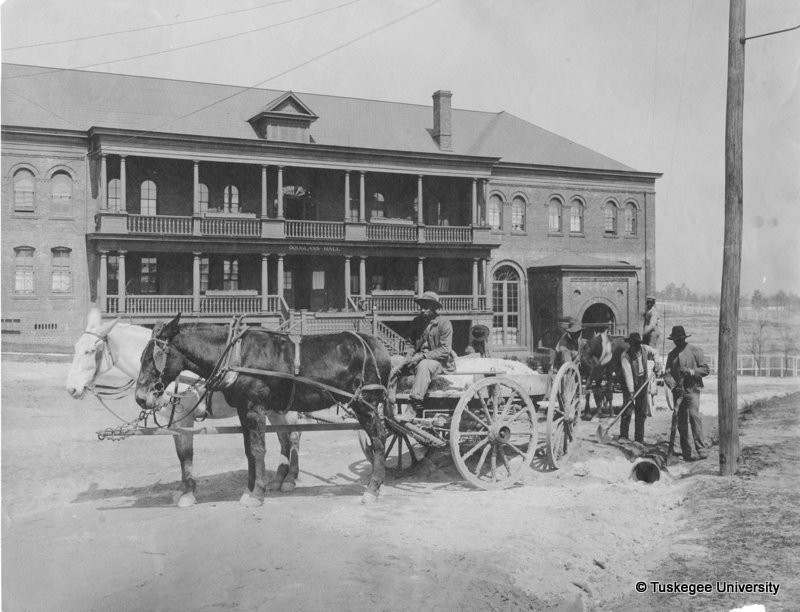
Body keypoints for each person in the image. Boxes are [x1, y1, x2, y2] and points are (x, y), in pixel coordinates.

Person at [397, 291, 455, 421]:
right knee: (395, 361)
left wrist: (422, 357)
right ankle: (387, 398)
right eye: (421, 307)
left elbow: (445, 349)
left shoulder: (444, 323)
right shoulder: (416, 322)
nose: (422, 310)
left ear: (434, 308)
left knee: (424, 365)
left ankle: (413, 406)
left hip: (439, 362)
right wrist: (408, 354)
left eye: (426, 307)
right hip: (417, 358)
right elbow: (410, 342)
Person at [663, 325, 710, 461]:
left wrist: (691, 372)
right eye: (675, 340)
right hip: (678, 393)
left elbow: (706, 369)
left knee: (694, 418)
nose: (677, 342)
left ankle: (701, 449)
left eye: (680, 339)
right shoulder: (672, 355)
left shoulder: (695, 350)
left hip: (692, 389)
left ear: (684, 338)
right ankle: (686, 452)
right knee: (681, 422)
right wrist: (673, 386)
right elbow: (666, 375)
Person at [618, 332, 661, 442]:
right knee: (627, 409)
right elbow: (628, 375)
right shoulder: (625, 356)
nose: (636, 348)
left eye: (637, 345)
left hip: (642, 381)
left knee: (641, 412)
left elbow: (655, 353)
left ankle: (639, 438)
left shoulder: (645, 349)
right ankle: (623, 436)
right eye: (633, 345)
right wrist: (631, 392)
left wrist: (657, 363)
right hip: (629, 384)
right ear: (630, 345)